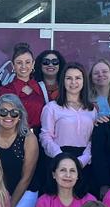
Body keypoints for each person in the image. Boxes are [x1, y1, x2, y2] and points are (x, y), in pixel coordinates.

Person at [40, 62, 98, 192]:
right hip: (58, 160)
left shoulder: (92, 110)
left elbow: (93, 139)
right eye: (69, 78)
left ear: (84, 81)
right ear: (63, 81)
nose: (73, 82)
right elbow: (45, 136)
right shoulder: (51, 108)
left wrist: (83, 160)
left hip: (84, 163)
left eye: (78, 78)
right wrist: (61, 158)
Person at [1, 44, 47, 131]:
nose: (23, 66)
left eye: (27, 62)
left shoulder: (42, 89)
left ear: (33, 64)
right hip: (13, 136)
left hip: (39, 137)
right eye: (19, 63)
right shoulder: (5, 91)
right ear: (13, 65)